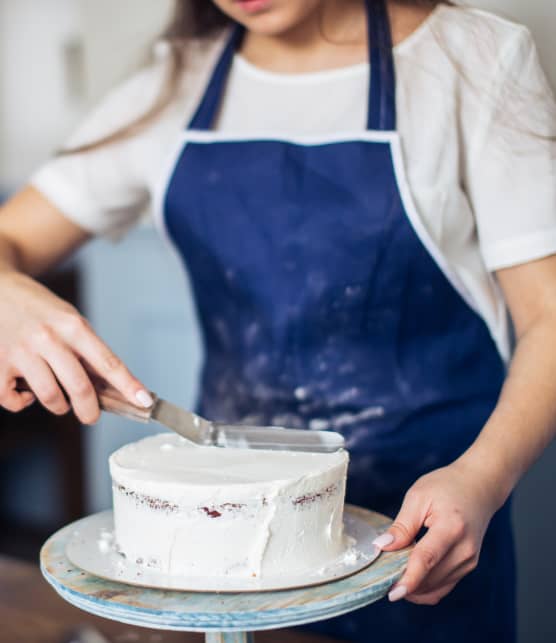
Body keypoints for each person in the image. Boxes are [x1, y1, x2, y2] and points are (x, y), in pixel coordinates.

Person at [0, 0, 555, 640]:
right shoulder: (176, 81)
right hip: (223, 556)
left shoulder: (476, 59)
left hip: (428, 530)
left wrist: (482, 478)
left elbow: (548, 314)